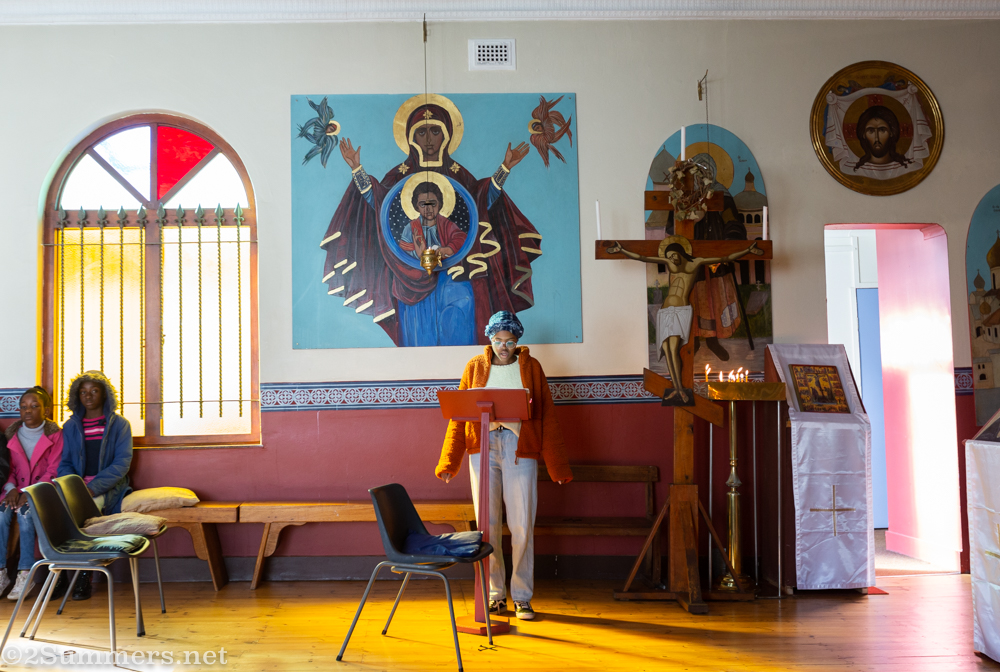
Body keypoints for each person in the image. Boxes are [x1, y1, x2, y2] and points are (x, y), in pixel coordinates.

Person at [320, 94, 541, 347]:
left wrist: (505, 168)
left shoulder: (457, 176)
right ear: (411, 137)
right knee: (416, 329)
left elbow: (480, 201)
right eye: (421, 132)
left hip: (455, 274)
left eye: (435, 131)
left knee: (462, 314)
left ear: (446, 135)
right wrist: (357, 169)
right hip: (410, 280)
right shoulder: (400, 177)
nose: (428, 139)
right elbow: (378, 200)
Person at [435, 311, 572, 621]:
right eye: (498, 340)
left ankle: (522, 597)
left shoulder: (532, 367)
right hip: (481, 447)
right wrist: (449, 462)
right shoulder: (474, 367)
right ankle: (495, 596)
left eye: (510, 341)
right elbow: (460, 416)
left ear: (518, 341)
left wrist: (557, 467)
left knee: (523, 523)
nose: (503, 347)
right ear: (490, 338)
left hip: (519, 448)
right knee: (488, 525)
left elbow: (547, 415)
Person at [607, 238, 763, 403]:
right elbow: (642, 257)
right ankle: (676, 388)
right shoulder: (670, 262)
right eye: (669, 257)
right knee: (667, 349)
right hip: (665, 311)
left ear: (681, 252)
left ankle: (680, 389)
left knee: (674, 348)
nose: (672, 259)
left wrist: (747, 251)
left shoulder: (695, 262)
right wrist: (622, 250)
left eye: (674, 255)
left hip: (680, 310)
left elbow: (724, 258)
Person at [58, 371, 133, 601]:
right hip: (78, 486)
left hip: (106, 487)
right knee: (55, 512)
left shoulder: (119, 424)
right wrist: (72, 486)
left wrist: (92, 488)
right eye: (83, 392)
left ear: (104, 394)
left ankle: (84, 575)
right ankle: (59, 572)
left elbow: (122, 463)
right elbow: (66, 462)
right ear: (76, 396)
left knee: (85, 514)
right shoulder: (71, 426)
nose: (88, 396)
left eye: (94, 391)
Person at [0, 387, 62, 601]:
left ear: (45, 410)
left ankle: (25, 574)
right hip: (15, 491)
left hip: (42, 492)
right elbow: (9, 470)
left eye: (35, 406)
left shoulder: (55, 435)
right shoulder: (12, 436)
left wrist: (30, 492)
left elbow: (53, 470)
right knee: (2, 513)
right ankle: (1, 574)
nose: (28, 411)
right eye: (24, 407)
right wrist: (11, 489)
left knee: (26, 516)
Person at [399, 183, 466, 260]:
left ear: (439, 204)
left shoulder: (446, 224)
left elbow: (461, 238)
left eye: (433, 203)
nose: (428, 208)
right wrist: (419, 254)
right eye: (423, 204)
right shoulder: (411, 228)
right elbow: (403, 254)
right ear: (416, 207)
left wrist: (448, 249)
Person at [853, 105, 912, 172]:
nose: (877, 138)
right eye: (871, 131)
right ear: (863, 135)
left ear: (891, 132)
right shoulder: (860, 170)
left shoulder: (903, 168)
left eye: (882, 130)